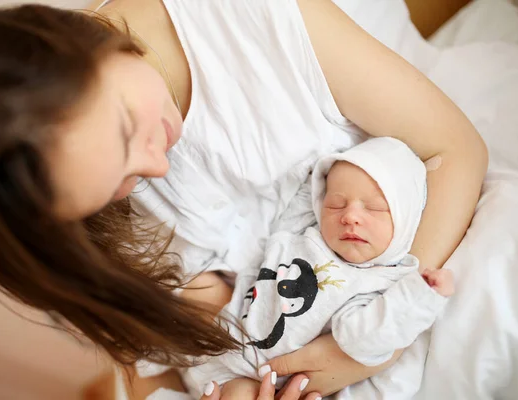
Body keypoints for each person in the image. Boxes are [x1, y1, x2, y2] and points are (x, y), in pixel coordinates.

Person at [0, 0, 487, 399]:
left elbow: (454, 149)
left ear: (82, 42)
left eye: (128, 130)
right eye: (119, 184)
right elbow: (166, 359)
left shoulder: (248, 16)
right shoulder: (66, 225)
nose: (155, 166)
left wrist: (373, 341)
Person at [185, 137, 454, 399]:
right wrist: (314, 172)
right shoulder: (301, 234)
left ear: (406, 224)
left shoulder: (378, 281)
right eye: (336, 204)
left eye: (373, 209)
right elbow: (308, 195)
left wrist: (420, 295)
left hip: (273, 382)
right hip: (221, 349)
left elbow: (366, 337)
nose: (350, 216)